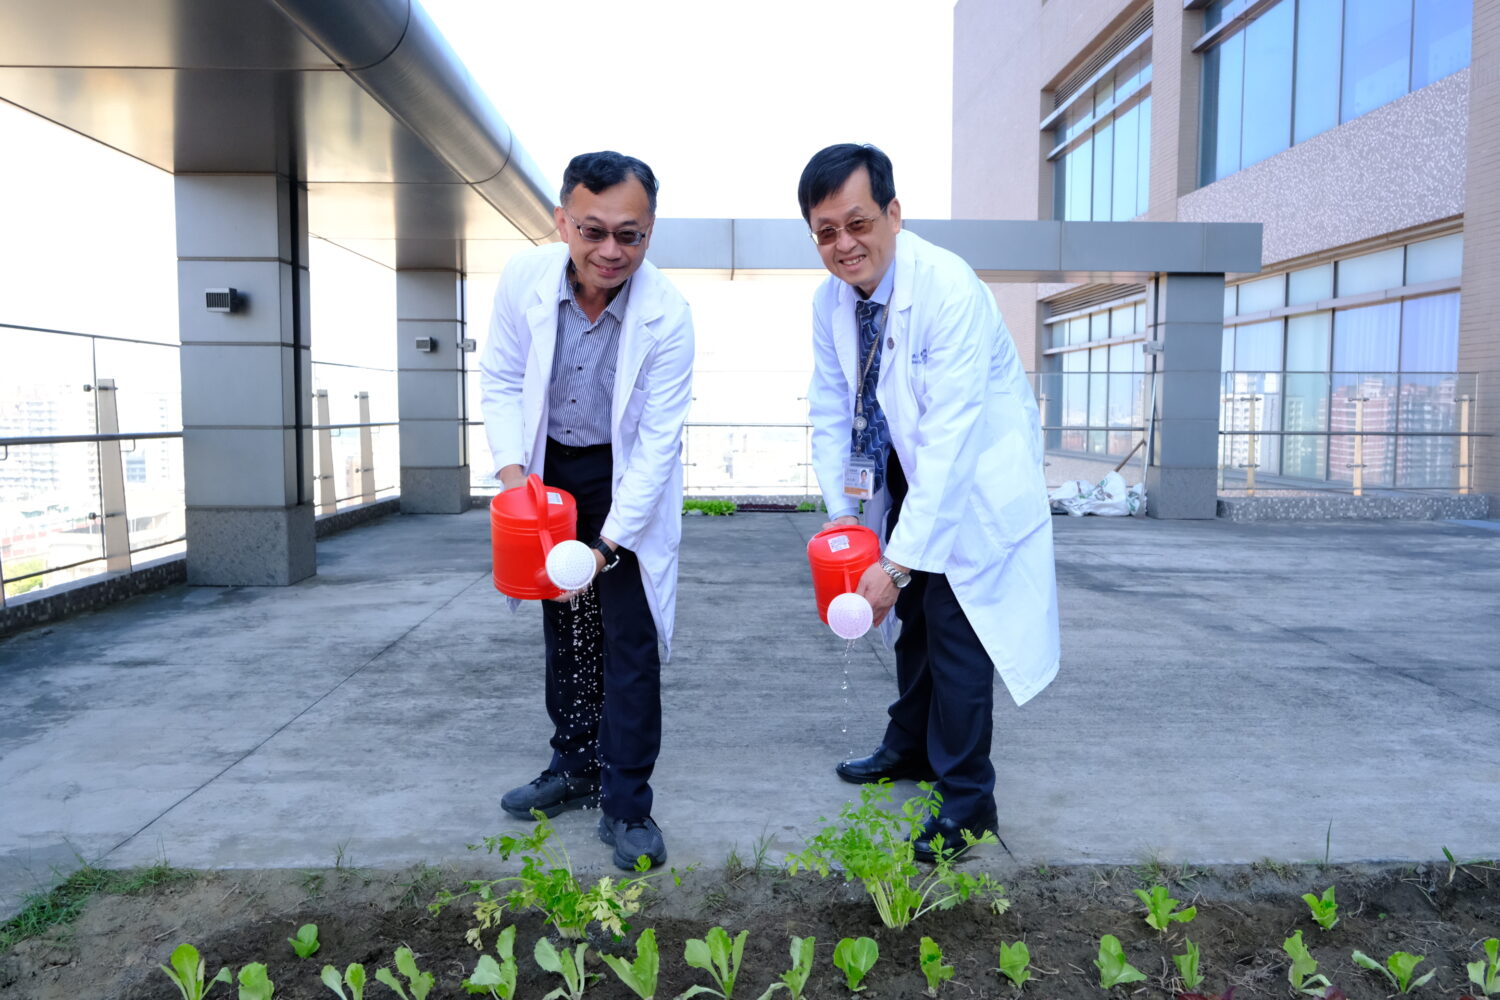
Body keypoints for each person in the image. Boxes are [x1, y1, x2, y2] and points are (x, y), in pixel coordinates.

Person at [798, 143, 1060, 861]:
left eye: (857, 223)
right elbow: (829, 405)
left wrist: (903, 560)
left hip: (968, 479)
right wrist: (845, 516)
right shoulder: (832, 302)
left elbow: (950, 437)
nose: (845, 244)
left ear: (893, 213)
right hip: (901, 473)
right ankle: (908, 746)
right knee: (910, 624)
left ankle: (968, 802)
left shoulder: (947, 286)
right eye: (826, 231)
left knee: (954, 629)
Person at [478, 150, 694, 871]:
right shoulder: (523, 280)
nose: (611, 251)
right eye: (593, 230)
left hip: (623, 473)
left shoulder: (669, 315)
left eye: (629, 235)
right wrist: (516, 481)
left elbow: (658, 445)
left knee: (626, 638)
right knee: (564, 624)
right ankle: (574, 767)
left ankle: (628, 804)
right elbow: (504, 378)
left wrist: (605, 546)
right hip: (547, 467)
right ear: (562, 220)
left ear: (651, 229)